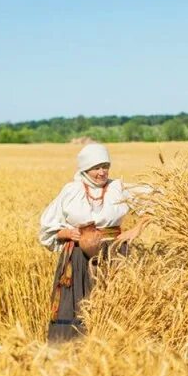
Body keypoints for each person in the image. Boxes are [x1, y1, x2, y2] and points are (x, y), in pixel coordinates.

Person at [39, 143, 145, 342]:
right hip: (77, 258)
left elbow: (156, 202)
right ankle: (71, 351)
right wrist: (68, 233)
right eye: (97, 167)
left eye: (105, 166)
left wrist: (136, 229)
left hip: (115, 255)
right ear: (85, 169)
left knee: (115, 303)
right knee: (77, 303)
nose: (102, 171)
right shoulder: (71, 190)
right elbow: (47, 228)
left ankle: (115, 349)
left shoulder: (118, 188)